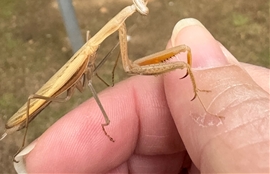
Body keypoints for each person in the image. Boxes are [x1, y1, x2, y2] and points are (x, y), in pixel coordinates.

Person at [14, 18, 269, 173]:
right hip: (49, 93)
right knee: (37, 100)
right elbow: (129, 67)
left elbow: (124, 65)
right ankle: (103, 122)